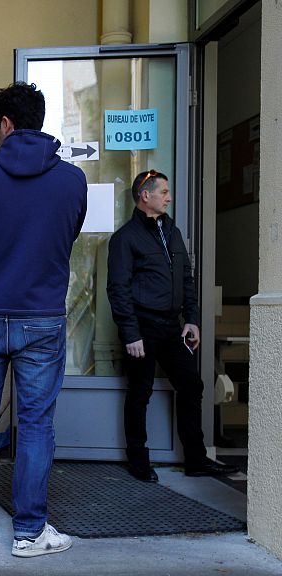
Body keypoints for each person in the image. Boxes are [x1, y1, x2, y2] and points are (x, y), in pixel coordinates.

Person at [0, 82, 87, 557]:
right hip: (41, 318)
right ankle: (29, 532)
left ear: (6, 124)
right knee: (34, 423)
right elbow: (68, 232)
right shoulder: (72, 180)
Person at [106, 170, 239, 483]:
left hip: (171, 326)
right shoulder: (125, 238)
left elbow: (186, 278)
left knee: (192, 385)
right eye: (163, 192)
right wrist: (130, 333)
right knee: (140, 392)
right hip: (141, 327)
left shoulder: (172, 231)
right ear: (145, 195)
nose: (168, 197)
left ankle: (195, 459)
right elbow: (118, 289)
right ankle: (138, 461)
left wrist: (191, 318)